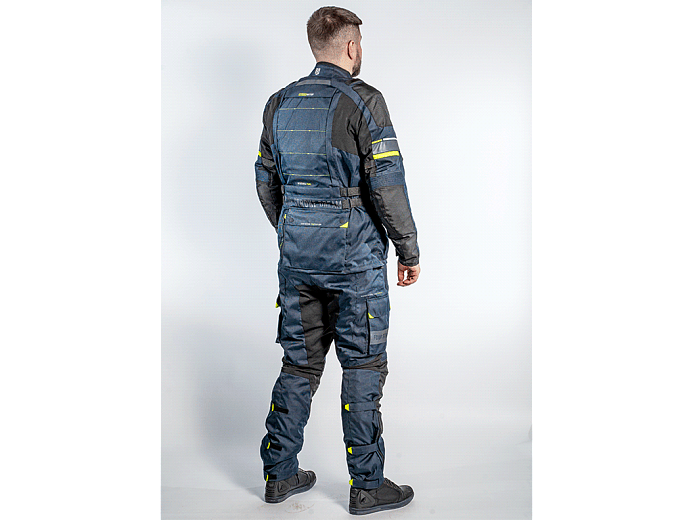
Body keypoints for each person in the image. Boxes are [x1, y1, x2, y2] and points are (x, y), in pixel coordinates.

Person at [254, 6, 420, 515]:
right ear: (351, 47)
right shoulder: (365, 100)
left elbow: (265, 182)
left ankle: (279, 475)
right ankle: (367, 485)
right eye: (359, 44)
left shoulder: (278, 103)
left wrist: (295, 230)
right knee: (363, 365)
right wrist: (408, 248)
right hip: (355, 265)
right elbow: (388, 185)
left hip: (297, 261)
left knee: (299, 363)